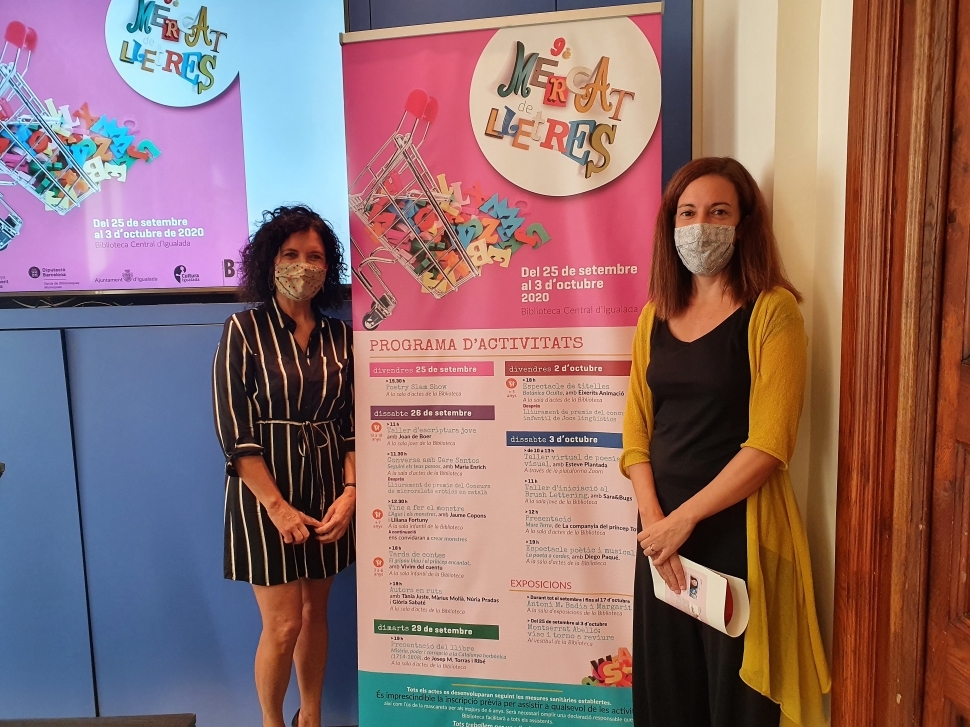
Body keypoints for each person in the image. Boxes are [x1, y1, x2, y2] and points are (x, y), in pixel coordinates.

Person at [621, 158, 831, 727]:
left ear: (743, 224)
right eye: (687, 213)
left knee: (736, 704)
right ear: (670, 225)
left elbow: (770, 444)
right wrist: (656, 522)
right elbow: (636, 433)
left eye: (718, 212)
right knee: (668, 696)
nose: (700, 226)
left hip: (737, 536)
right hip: (660, 537)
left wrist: (683, 520)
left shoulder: (773, 311)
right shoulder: (654, 316)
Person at [213, 205, 355, 727]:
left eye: (314, 256)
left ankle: (310, 717)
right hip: (263, 495)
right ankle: (272, 723)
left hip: (328, 490)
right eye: (291, 254)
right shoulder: (243, 329)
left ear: (328, 266)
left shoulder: (341, 336)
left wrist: (352, 491)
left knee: (316, 615)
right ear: (270, 261)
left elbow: (352, 423)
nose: (303, 266)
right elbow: (234, 430)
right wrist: (276, 507)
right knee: (283, 625)